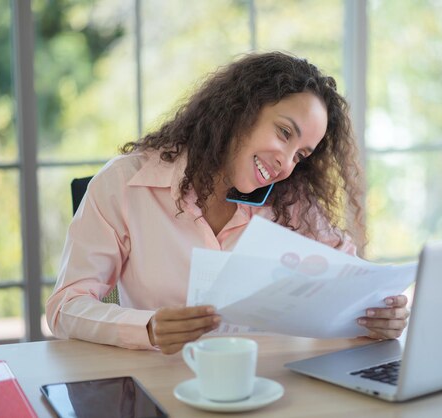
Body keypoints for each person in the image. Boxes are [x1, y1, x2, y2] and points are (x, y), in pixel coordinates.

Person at [46, 51, 410, 354]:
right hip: (162, 384)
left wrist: (379, 315)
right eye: (284, 133)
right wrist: (148, 326)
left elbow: (355, 282)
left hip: (269, 389)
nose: (285, 163)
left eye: (301, 155)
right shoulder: (125, 185)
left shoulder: (292, 202)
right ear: (241, 110)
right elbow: (65, 307)